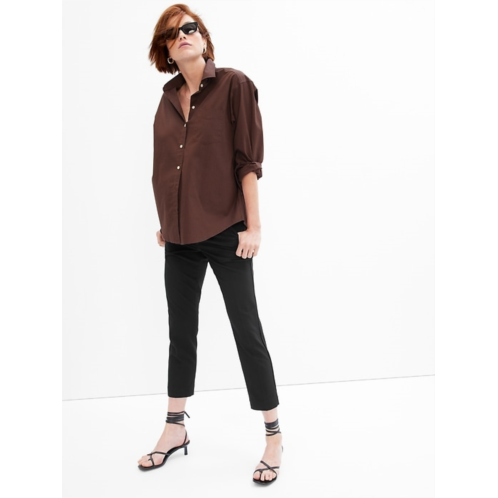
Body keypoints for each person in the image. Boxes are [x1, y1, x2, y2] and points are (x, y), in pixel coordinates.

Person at [137, 4, 283, 485]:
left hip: (226, 231)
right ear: (165, 50)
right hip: (179, 237)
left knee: (247, 330)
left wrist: (254, 227)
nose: (183, 35)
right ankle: (174, 428)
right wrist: (166, 221)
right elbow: (163, 168)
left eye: (190, 28)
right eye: (172, 33)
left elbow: (247, 162)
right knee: (181, 333)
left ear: (204, 38)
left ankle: (273, 436)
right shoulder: (166, 101)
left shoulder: (234, 85)